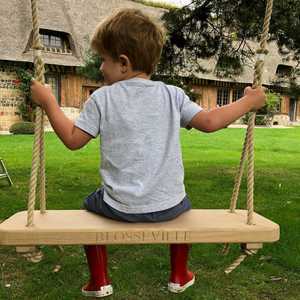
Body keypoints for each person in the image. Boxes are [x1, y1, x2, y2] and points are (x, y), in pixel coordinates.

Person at [30, 8, 266, 298]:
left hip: (118, 207)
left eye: (103, 60)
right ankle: (179, 274)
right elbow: (209, 122)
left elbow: (72, 140)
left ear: (124, 63)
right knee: (183, 207)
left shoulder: (102, 98)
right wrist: (248, 103)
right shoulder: (172, 94)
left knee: (89, 209)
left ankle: (99, 280)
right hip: (170, 205)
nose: (101, 68)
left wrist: (49, 102)